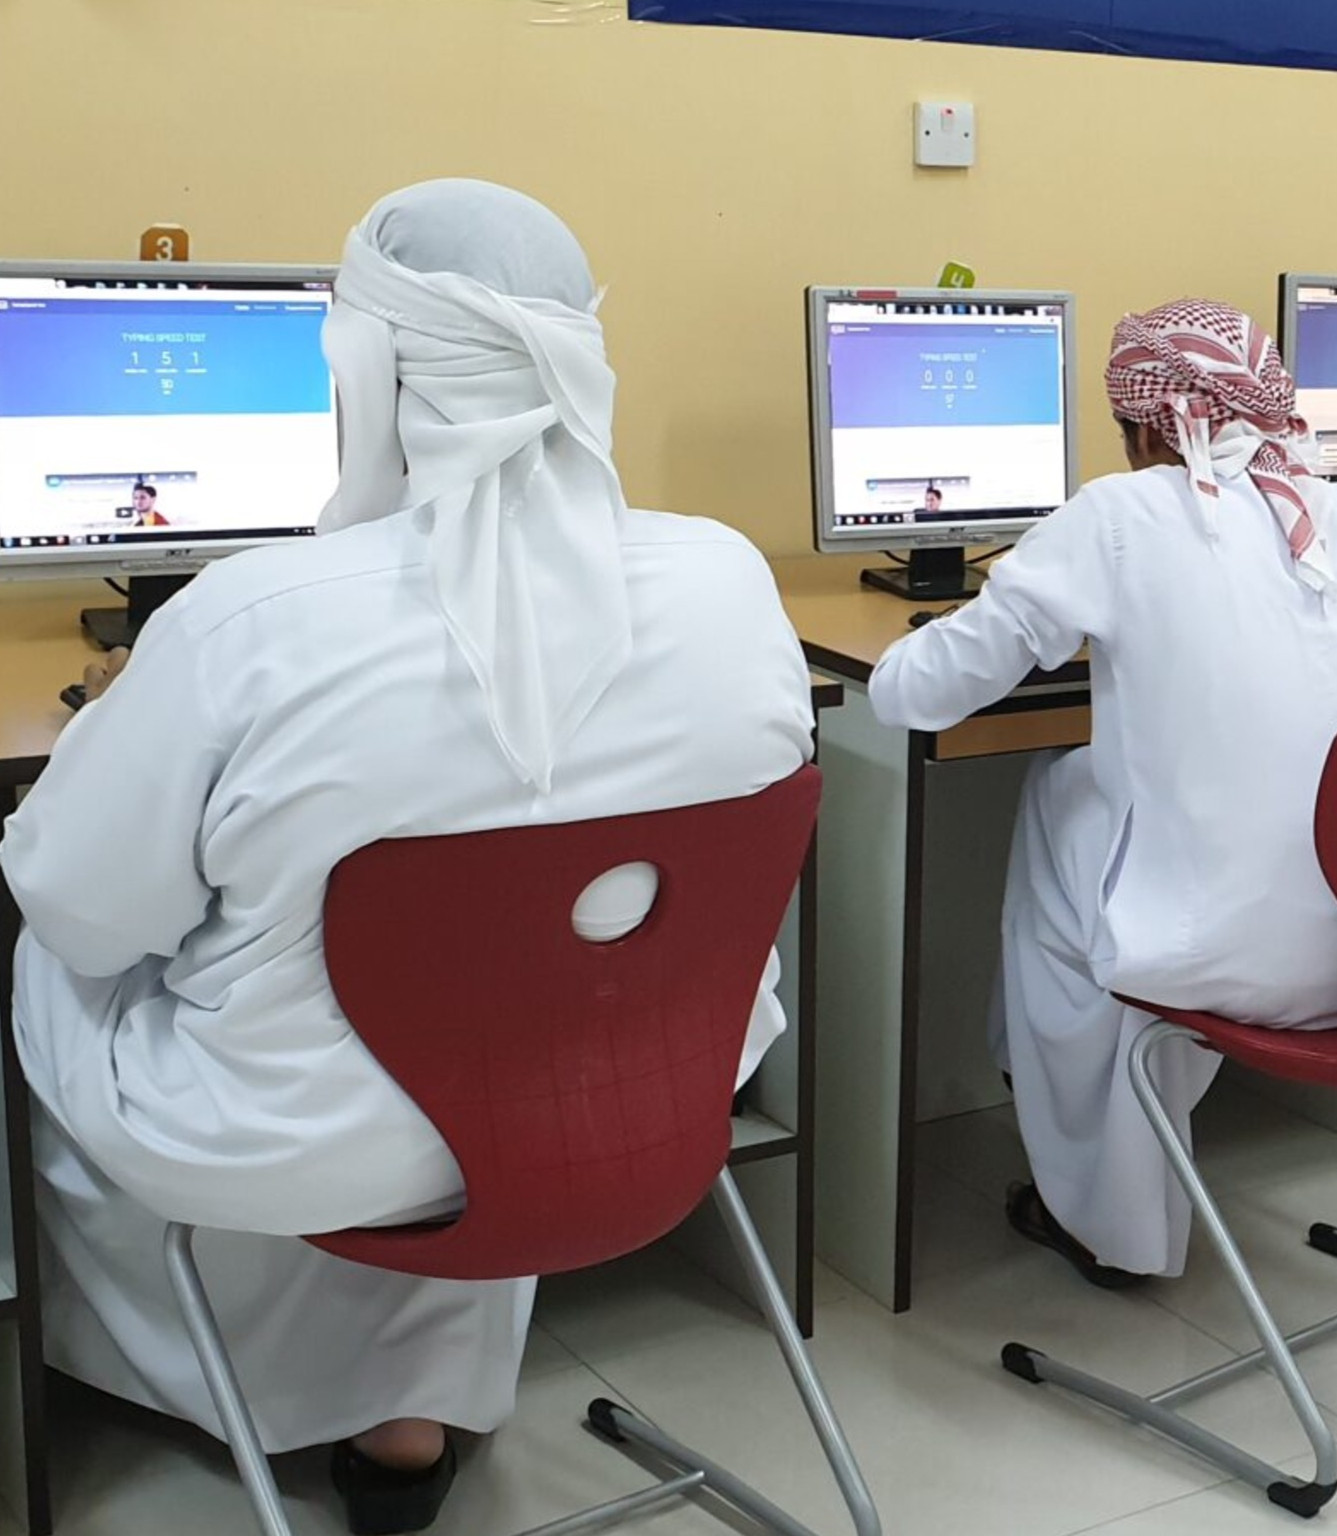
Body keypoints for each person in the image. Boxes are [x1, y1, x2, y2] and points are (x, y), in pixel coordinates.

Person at [2, 180, 813, 1533]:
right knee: (471, 1014)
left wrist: (114, 739)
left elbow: (78, 908)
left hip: (298, 1149)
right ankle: (404, 1414)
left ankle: (194, 1386)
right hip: (631, 1105)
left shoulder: (251, 619)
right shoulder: (727, 579)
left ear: (369, 373)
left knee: (59, 956)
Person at [869, 300, 1337, 1282]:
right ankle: (1068, 1096)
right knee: (1097, 806)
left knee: (1059, 811)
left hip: (1209, 954)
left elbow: (913, 696)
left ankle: (1108, 1213)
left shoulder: (1120, 515)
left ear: (1149, 427)